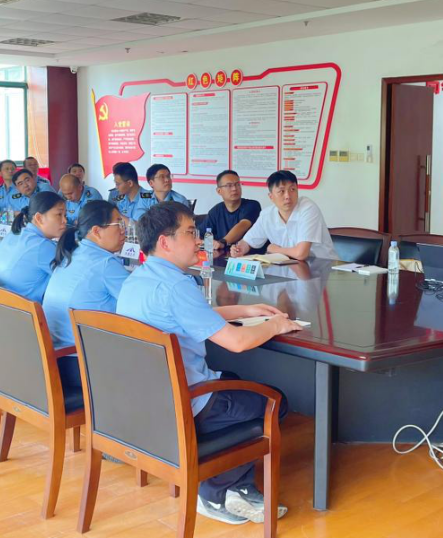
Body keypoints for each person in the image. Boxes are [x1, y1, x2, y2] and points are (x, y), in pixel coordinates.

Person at [117, 202, 298, 525]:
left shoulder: (138, 278)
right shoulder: (177, 286)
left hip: (149, 401)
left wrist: (246, 310)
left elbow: (191, 316)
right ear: (165, 242)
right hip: (187, 402)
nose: (199, 240)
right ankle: (217, 492)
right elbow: (237, 343)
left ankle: (230, 484)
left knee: (233, 379)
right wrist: (276, 325)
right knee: (276, 401)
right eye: (190, 232)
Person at [43, 200, 129, 358]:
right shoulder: (105, 264)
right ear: (96, 231)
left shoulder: (72, 254)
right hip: (83, 359)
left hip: (58, 354)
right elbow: (137, 305)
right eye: (118, 224)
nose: (123, 231)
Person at [231, 170, 338, 261]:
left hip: (323, 268)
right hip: (290, 267)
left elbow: (301, 254)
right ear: (271, 196)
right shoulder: (267, 215)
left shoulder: (308, 208)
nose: (287, 196)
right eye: (281, 191)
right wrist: (239, 249)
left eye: (292, 190)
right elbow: (248, 242)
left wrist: (275, 249)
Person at [0, 192, 66, 303]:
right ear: (39, 218)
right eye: (59, 215)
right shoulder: (42, 246)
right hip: (21, 310)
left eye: (65, 215)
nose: (64, 221)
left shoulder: (14, 234)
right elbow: (70, 278)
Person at [199, 170, 262, 251]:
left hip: (249, 255)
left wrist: (223, 242)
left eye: (237, 184)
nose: (234, 188)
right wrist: (207, 242)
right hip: (223, 255)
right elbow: (201, 234)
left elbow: (243, 224)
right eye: (229, 185)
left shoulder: (252, 205)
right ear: (219, 191)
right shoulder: (215, 211)